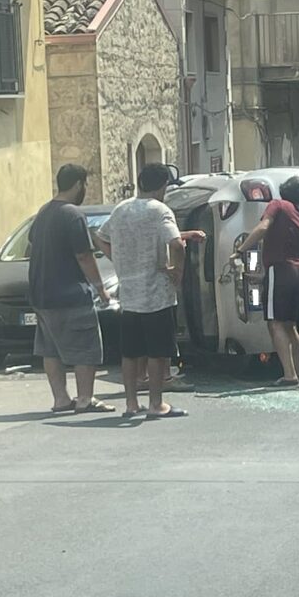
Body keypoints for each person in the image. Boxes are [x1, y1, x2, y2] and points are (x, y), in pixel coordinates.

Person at [95, 164, 200, 419]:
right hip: (156, 295)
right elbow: (176, 244)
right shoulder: (159, 210)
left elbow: (100, 236)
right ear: (162, 186)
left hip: (129, 295)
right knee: (157, 351)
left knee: (130, 353)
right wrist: (177, 271)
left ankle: (131, 404)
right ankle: (156, 404)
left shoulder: (121, 209)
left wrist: (118, 259)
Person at [28, 164, 115, 414]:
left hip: (41, 294)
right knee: (86, 346)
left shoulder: (43, 212)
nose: (85, 189)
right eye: (85, 184)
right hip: (70, 294)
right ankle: (85, 398)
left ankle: (61, 399)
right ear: (78, 184)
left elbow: (32, 243)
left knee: (51, 349)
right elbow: (84, 256)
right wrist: (101, 289)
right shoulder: (73, 215)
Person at [233, 176, 299, 388]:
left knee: (275, 322)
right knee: (290, 324)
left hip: (280, 269)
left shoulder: (277, 205)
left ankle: (289, 375)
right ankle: (298, 372)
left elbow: (263, 227)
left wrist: (240, 250)